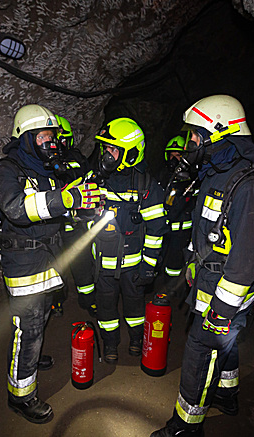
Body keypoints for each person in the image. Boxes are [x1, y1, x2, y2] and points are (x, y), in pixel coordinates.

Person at [151, 95, 254, 436]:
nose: (190, 142)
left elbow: (246, 259)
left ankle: (186, 425)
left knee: (201, 348)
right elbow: (206, 227)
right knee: (227, 345)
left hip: (228, 289)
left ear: (220, 134)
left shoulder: (250, 185)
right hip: (210, 277)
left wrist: (222, 310)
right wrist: (194, 264)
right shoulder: (216, 172)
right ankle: (227, 393)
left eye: (196, 136)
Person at [0, 104, 100, 424]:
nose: (50, 142)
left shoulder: (45, 170)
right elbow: (17, 209)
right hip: (23, 262)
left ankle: (31, 357)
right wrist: (66, 199)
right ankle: (20, 396)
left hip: (47, 257)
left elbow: (55, 211)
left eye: (53, 136)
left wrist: (84, 206)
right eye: (43, 137)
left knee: (39, 321)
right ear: (25, 138)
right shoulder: (6, 171)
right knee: (29, 327)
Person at [89, 117, 168, 363]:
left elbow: (156, 229)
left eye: (114, 149)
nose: (107, 155)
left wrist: (148, 266)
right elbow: (81, 218)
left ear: (131, 154)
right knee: (106, 310)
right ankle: (110, 344)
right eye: (106, 148)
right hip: (103, 265)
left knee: (135, 309)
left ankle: (136, 340)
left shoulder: (146, 185)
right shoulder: (95, 179)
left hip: (133, 266)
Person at [54, 114, 97, 318]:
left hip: (76, 223)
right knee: (55, 266)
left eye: (63, 139)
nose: (59, 144)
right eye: (56, 139)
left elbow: (90, 184)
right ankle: (56, 302)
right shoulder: (43, 162)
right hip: (53, 226)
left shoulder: (78, 158)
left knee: (82, 263)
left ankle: (88, 300)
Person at [156, 135, 200, 299]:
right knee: (157, 257)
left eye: (178, 155)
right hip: (163, 227)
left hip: (181, 230)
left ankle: (172, 289)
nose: (174, 159)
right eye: (171, 155)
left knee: (174, 263)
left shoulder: (194, 177)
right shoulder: (162, 175)